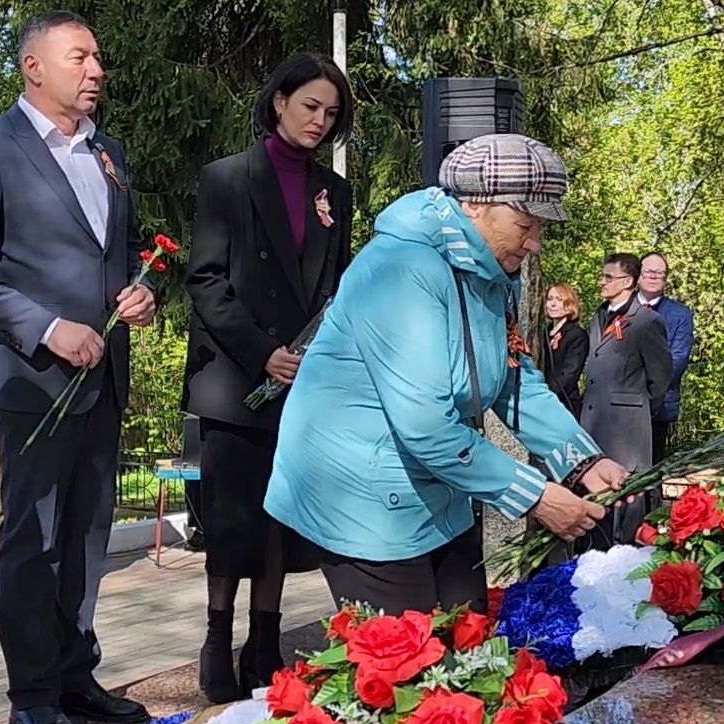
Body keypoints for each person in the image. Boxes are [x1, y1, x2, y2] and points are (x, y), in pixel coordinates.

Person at [266, 134, 628, 612]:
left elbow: (513, 380)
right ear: (476, 204)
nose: (536, 244)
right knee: (409, 672)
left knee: (473, 644)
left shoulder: (492, 275)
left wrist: (582, 461)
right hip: (364, 498)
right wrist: (535, 495)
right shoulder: (400, 268)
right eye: (526, 223)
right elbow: (426, 425)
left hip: (438, 488)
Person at [0, 11, 155, 724]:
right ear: (33, 66)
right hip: (31, 381)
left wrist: (138, 292)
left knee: (88, 536)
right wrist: (45, 325)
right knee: (34, 542)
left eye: (99, 57)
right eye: (80, 56)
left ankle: (73, 674)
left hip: (103, 377)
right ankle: (31, 697)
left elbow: (111, 255)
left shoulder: (109, 153)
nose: (97, 70)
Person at [184, 53, 355, 702]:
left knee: (280, 520)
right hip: (236, 379)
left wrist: (316, 354)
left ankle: (265, 639)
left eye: (331, 113)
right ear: (279, 100)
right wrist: (262, 352)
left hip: (303, 383)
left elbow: (335, 287)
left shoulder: (332, 193)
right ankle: (216, 637)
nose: (319, 120)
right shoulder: (225, 180)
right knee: (233, 520)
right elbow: (205, 279)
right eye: (310, 105)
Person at [581, 252, 674, 538]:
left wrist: (639, 407)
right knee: (596, 496)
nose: (602, 282)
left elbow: (660, 376)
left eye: (609, 277)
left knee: (627, 497)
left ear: (628, 281)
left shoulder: (647, 321)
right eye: (603, 275)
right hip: (594, 423)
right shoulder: (598, 316)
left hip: (627, 429)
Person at [635, 252, 695, 460]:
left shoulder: (680, 314)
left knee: (651, 469)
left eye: (659, 273)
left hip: (658, 406)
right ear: (638, 275)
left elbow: (677, 360)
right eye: (648, 271)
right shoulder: (619, 309)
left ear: (666, 279)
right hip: (618, 407)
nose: (653, 277)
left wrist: (646, 388)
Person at [537, 282, 588, 415]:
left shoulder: (577, 335)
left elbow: (569, 374)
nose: (553, 304)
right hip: (540, 402)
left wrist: (546, 396)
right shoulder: (541, 333)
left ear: (569, 304)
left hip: (564, 404)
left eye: (559, 300)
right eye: (550, 299)